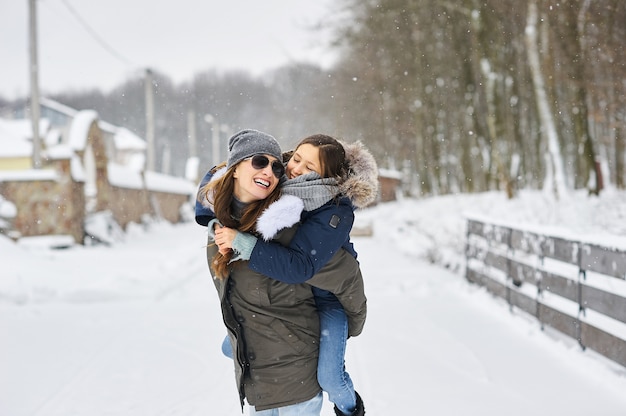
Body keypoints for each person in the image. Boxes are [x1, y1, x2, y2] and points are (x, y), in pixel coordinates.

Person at [197, 129, 369, 416]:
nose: (296, 169)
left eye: (309, 167)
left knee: (330, 377)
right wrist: (212, 209)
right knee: (232, 348)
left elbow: (301, 266)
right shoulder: (281, 182)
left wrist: (244, 243)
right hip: (297, 296)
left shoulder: (333, 208)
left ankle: (350, 408)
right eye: (296, 159)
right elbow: (235, 171)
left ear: (325, 176)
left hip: (329, 300)